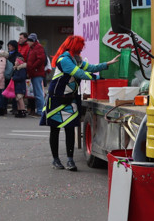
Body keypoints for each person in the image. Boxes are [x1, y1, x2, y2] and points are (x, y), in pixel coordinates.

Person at [42, 35, 118, 171]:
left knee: (70, 129)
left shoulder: (75, 59)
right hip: (56, 99)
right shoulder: (64, 60)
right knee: (55, 130)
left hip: (70, 98)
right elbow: (79, 74)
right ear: (74, 47)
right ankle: (56, 160)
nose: (81, 50)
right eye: (80, 48)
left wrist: (107, 64)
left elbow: (91, 67)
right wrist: (98, 78)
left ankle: (70, 160)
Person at [25, 34, 48, 117]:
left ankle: (40, 111)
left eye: (28, 41)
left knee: (38, 93)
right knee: (37, 93)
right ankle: (39, 110)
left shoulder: (37, 47)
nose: (27, 42)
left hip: (37, 72)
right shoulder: (33, 48)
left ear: (32, 41)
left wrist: (33, 67)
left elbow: (41, 59)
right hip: (34, 72)